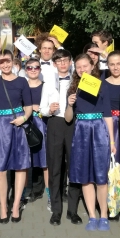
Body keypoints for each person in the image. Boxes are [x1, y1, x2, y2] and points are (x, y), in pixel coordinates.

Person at [65, 53, 116, 231]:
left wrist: (112, 140)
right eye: (78, 67)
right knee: (85, 177)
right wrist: (69, 105)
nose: (81, 69)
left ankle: (103, 215)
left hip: (99, 130)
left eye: (84, 66)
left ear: (91, 65)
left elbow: (108, 114)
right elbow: (68, 118)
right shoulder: (73, 88)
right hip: (81, 131)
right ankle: (92, 217)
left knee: (101, 177)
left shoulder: (102, 85)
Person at [0, 49, 33, 223]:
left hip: (19, 123)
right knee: (0, 168)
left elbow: (28, 106)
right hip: (1, 125)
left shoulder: (22, 81)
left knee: (20, 166)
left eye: (8, 61)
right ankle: (3, 207)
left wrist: (24, 118)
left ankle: (15, 206)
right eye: (2, 62)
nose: (5, 64)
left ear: (14, 62)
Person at [40, 49, 83, 226]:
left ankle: (72, 210)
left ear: (70, 61)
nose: (63, 64)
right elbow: (42, 108)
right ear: (54, 63)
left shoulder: (80, 80)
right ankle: (56, 210)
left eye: (66, 60)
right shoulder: (48, 83)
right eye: (59, 61)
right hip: (55, 124)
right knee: (55, 167)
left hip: (74, 125)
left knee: (74, 167)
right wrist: (48, 110)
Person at [103, 51, 120, 221]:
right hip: (108, 125)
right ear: (107, 65)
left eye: (118, 63)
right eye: (112, 64)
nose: (115, 67)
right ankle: (111, 202)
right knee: (110, 164)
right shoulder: (102, 83)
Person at [24, 57, 50, 210]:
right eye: (29, 67)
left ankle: (49, 194)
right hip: (26, 126)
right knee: (26, 161)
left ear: (40, 69)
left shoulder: (46, 86)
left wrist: (39, 107)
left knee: (45, 161)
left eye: (36, 67)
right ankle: (27, 191)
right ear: (25, 70)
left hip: (42, 126)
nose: (33, 70)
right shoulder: (22, 86)